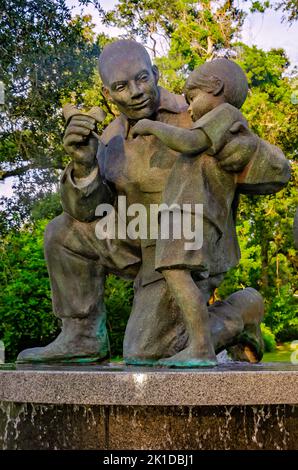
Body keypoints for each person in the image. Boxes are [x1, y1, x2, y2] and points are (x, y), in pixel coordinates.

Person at [16, 40, 290, 366]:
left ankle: (242, 310)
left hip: (187, 247)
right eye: (121, 86)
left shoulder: (199, 111)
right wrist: (84, 166)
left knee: (146, 352)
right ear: (107, 94)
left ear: (156, 73)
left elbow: (277, 172)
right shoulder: (109, 139)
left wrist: (244, 151)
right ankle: (82, 335)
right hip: (136, 238)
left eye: (142, 78)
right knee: (62, 232)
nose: (135, 91)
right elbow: (86, 212)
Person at [131, 59, 250, 367]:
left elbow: (191, 140)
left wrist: (152, 127)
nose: (190, 108)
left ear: (217, 89)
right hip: (182, 213)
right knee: (175, 273)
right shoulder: (217, 118)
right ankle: (200, 343)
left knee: (176, 272)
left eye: (193, 97)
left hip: (193, 214)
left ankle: (201, 346)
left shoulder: (225, 114)